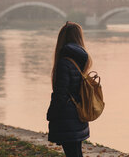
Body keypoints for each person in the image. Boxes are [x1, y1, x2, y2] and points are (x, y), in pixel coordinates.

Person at [46, 21, 92, 157]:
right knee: (76, 152)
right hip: (78, 115)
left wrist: (51, 114)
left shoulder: (64, 63)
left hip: (67, 117)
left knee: (72, 153)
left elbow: (60, 93)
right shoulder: (81, 60)